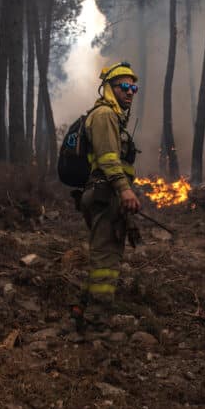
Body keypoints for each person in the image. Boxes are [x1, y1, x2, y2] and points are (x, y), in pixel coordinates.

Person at [71, 62, 141, 331]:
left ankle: (82, 310)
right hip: (105, 194)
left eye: (133, 87)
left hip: (104, 194)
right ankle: (96, 323)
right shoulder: (104, 116)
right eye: (124, 86)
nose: (130, 92)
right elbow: (109, 159)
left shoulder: (111, 117)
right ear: (110, 88)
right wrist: (124, 189)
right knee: (106, 260)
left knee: (104, 256)